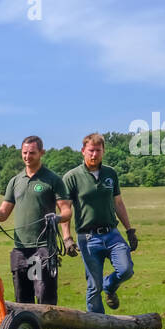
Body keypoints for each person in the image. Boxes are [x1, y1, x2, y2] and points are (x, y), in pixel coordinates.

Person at [0, 136, 72, 329]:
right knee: (21, 294)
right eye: (24, 152)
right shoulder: (15, 181)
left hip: (42, 246)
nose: (27, 157)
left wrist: (57, 217)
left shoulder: (52, 179)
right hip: (20, 247)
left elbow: (67, 210)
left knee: (43, 291)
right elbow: (4, 213)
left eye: (32, 152)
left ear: (41, 153)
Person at [60, 133, 138, 313]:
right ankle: (98, 325)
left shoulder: (110, 173)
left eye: (98, 150)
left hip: (112, 233)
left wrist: (129, 230)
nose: (94, 154)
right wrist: (67, 238)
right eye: (90, 151)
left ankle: (109, 286)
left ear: (103, 151)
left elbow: (118, 202)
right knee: (93, 285)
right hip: (88, 238)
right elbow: (65, 210)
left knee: (126, 270)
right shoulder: (72, 177)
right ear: (83, 151)